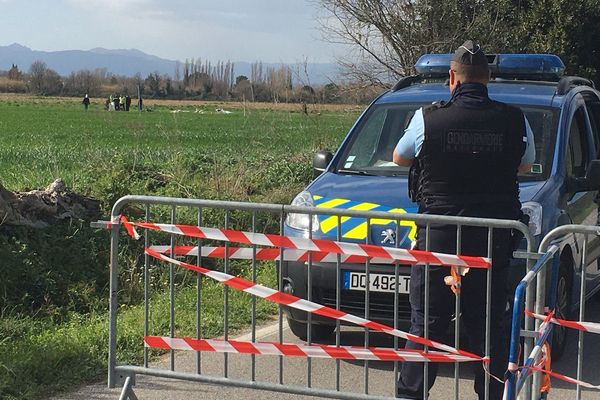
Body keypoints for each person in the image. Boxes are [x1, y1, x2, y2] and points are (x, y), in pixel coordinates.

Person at [392, 40, 535, 400]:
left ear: (452, 78)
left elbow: (399, 157)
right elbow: (524, 164)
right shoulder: (514, 118)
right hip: (493, 237)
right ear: (488, 79)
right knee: (488, 323)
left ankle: (410, 395)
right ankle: (494, 394)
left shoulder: (428, 117)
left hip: (440, 236)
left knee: (427, 322)